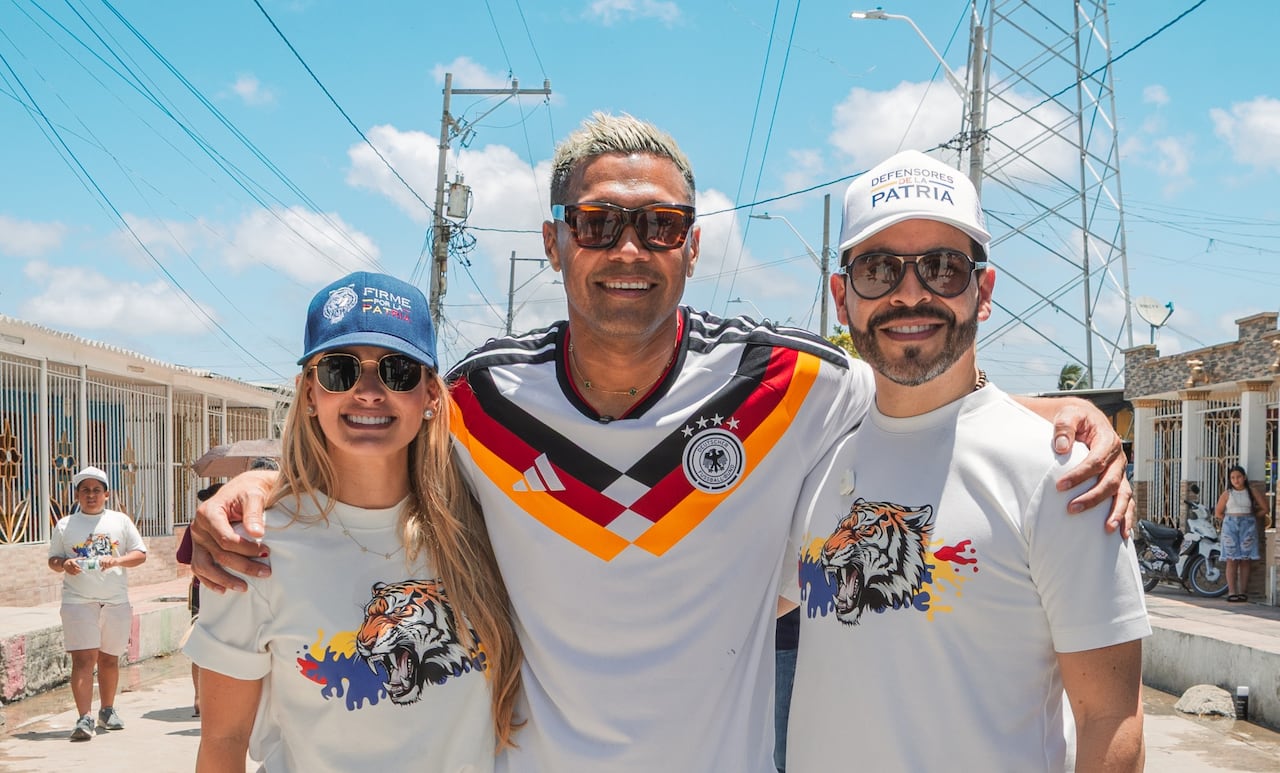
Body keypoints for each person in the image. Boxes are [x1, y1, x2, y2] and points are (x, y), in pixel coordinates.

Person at [190, 114, 1132, 772]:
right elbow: (368, 440)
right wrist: (260, 486)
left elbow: (924, 387)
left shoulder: (790, 384)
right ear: (557, 243)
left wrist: (1056, 415)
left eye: (661, 226)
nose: (629, 249)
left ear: (691, 247)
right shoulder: (478, 401)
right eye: (599, 224)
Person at [783, 149, 1150, 771]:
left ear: (982, 291)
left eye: (942, 268)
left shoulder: (1062, 475)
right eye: (878, 269)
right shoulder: (810, 452)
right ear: (842, 297)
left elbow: (1109, 715)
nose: (910, 294)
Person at [182, 271, 522, 771]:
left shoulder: (487, 525)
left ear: (430, 393)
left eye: (398, 370)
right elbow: (223, 742)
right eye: (340, 370)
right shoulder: (253, 546)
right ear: (309, 394)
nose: (367, 391)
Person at [46, 465, 148, 742]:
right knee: (82, 659)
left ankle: (107, 710)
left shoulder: (121, 521)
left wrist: (116, 560)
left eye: (96, 490)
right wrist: (64, 564)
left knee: (109, 659)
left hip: (115, 601)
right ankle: (84, 717)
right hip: (78, 601)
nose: (91, 495)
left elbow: (140, 554)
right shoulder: (65, 525)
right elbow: (53, 559)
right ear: (77, 494)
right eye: (85, 490)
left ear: (106, 494)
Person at [1214, 463, 1266, 602]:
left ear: (1244, 477)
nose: (1236, 480)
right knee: (1232, 560)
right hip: (1230, 526)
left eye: (1238, 477)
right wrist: (1230, 521)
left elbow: (1264, 508)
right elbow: (1218, 512)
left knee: (1245, 560)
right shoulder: (1227, 494)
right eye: (1232, 477)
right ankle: (1232, 592)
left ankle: (1242, 592)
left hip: (1247, 526)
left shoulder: (1252, 491)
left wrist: (1251, 518)